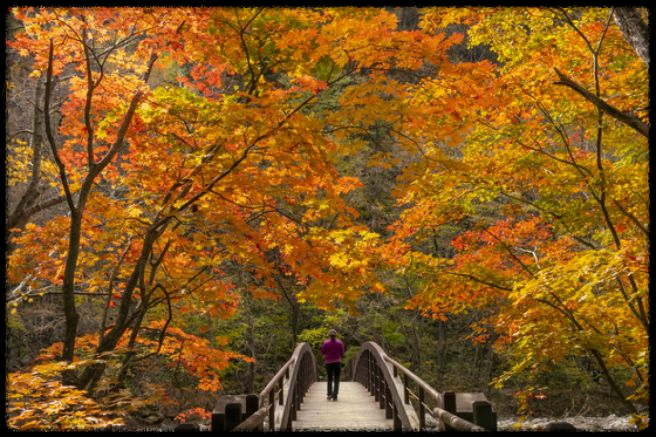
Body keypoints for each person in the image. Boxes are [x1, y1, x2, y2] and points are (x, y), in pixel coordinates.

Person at [320, 329, 345, 401]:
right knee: (337, 379)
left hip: (328, 363)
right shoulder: (340, 343)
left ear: (329, 335)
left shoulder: (326, 343)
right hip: (337, 362)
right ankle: (335, 396)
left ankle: (329, 394)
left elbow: (323, 352)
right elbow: (342, 354)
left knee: (329, 378)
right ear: (335, 335)